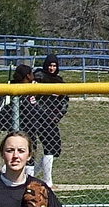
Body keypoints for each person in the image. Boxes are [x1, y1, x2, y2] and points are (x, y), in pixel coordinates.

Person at [32, 54, 69, 187]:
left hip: (51, 120)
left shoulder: (59, 81)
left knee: (54, 149)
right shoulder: (38, 77)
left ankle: (29, 177)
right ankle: (47, 181)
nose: (52, 68)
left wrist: (56, 116)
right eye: (50, 65)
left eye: (54, 65)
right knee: (39, 150)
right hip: (37, 119)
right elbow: (32, 99)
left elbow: (64, 102)